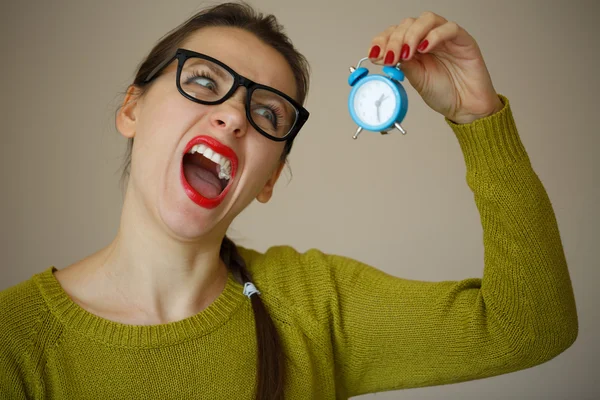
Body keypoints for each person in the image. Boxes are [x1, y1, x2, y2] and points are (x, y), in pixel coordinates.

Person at [0, 2, 578, 399]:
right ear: (132, 109)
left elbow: (529, 328)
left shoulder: (314, 304)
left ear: (270, 177)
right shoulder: (16, 339)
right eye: (203, 82)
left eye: (267, 113)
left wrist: (478, 118)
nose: (232, 116)